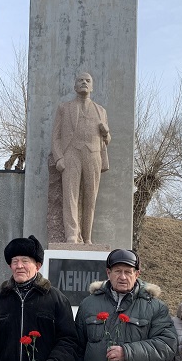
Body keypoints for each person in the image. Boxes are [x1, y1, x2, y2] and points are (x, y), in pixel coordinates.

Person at [51, 71, 111, 244]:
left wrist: (106, 133)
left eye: (88, 80)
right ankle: (71, 234)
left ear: (92, 86)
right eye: (80, 80)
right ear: (75, 86)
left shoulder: (101, 111)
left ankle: (87, 236)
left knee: (90, 197)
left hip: (93, 155)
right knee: (70, 195)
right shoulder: (64, 108)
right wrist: (58, 158)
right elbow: (56, 137)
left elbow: (107, 140)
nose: (84, 82)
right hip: (71, 153)